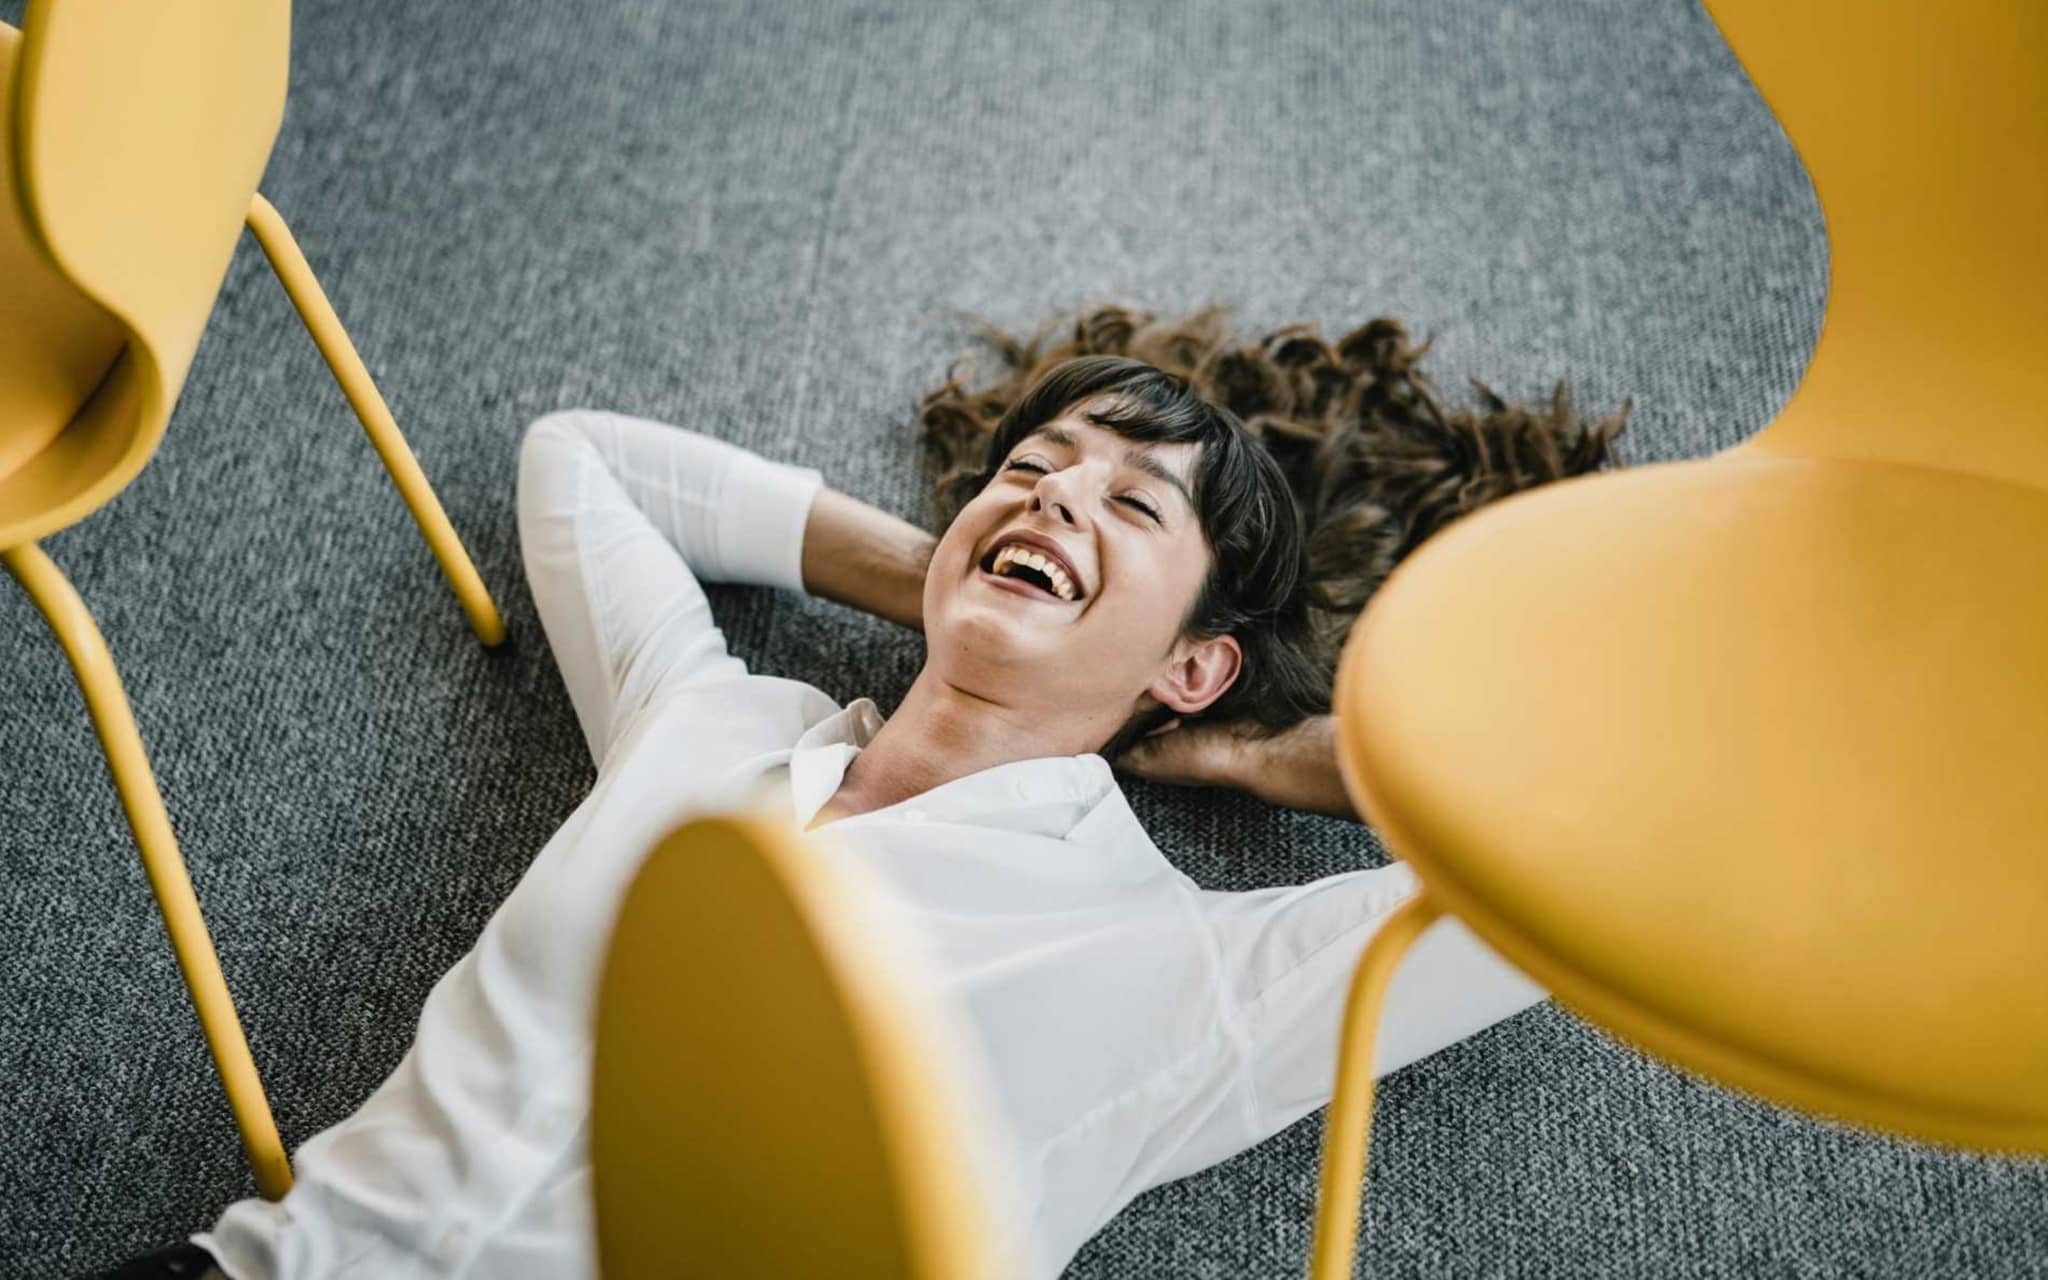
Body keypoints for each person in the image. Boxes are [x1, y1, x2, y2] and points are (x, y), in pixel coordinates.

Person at [139, 306, 1628, 1279]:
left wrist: (1269, 755)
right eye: (1032, 467)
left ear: (1193, 665)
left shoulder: (1184, 971)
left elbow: (1586, 869)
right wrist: (962, 571)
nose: (1057, 491)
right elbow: (583, 464)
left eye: (1131, 504)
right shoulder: (709, 721)